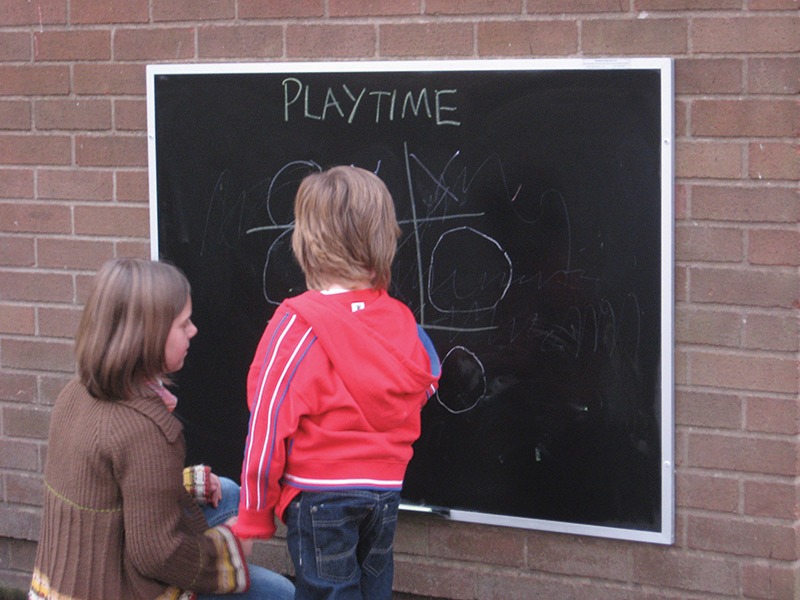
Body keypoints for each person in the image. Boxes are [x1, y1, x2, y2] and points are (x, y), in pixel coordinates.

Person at [29, 258, 294, 600]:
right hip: (118, 587)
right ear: (148, 336)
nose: (193, 331)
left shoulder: (76, 393)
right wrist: (232, 547)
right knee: (281, 593)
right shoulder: (146, 431)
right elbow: (158, 555)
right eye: (183, 324)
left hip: (59, 585)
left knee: (226, 491)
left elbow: (113, 491)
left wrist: (185, 482)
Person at [232, 166, 441, 599]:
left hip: (320, 496)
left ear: (306, 241)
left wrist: (254, 514)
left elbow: (267, 425)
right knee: (373, 589)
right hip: (384, 492)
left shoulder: (296, 323)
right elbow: (427, 377)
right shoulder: (400, 318)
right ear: (384, 237)